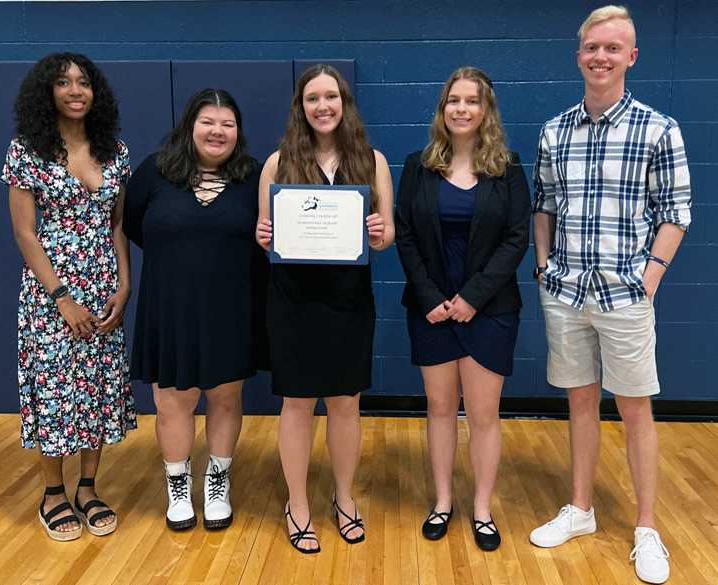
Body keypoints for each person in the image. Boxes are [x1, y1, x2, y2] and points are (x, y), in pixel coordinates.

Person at [529, 6, 691, 584]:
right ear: (579, 56)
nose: (601, 57)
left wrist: (649, 278)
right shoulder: (555, 130)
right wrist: (546, 266)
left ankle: (646, 526)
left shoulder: (658, 128)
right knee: (578, 402)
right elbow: (543, 205)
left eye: (612, 48)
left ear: (631, 57)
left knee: (634, 406)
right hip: (566, 291)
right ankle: (581, 510)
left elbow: (677, 213)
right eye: (592, 48)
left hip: (626, 294)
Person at [256, 64, 394, 553]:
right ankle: (297, 503)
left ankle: (344, 496)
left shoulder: (372, 161)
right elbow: (263, 232)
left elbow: (387, 236)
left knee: (345, 402)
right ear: (301, 107)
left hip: (348, 300)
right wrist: (264, 234)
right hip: (292, 299)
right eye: (312, 98)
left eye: (331, 96)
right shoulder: (276, 163)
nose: (322, 106)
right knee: (296, 403)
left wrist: (379, 233)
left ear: (344, 103)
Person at [2, 52, 136, 541]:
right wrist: (61, 296)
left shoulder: (114, 151)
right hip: (50, 291)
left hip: (103, 285)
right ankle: (52, 493)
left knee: (96, 389)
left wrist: (124, 284)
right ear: (48, 93)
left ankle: (87, 487)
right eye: (64, 83)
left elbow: (118, 224)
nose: (76, 90)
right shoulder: (26, 151)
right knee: (56, 391)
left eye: (83, 82)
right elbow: (24, 233)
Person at [395, 67, 530, 550]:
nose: (461, 108)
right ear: (442, 108)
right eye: (453, 99)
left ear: (486, 110)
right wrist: (431, 297)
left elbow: (517, 240)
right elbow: (405, 234)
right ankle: (443, 501)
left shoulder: (509, 168)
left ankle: (482, 509)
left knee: (483, 413)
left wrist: (473, 297)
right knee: (438, 407)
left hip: (489, 309)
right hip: (431, 308)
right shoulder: (418, 164)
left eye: (472, 101)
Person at [123, 89, 262, 532]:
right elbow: (130, 223)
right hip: (170, 305)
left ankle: (217, 482)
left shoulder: (253, 177)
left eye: (227, 123)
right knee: (172, 402)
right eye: (208, 122)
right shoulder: (156, 171)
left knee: (225, 398)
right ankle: (178, 486)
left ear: (237, 132)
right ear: (190, 126)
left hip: (230, 305)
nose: (217, 131)